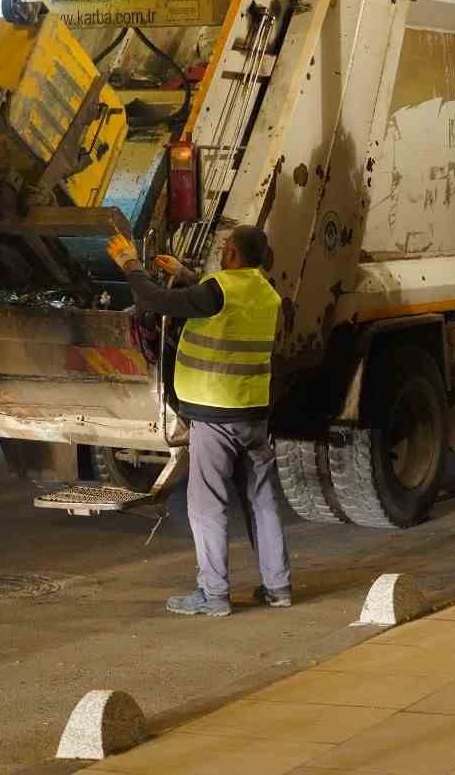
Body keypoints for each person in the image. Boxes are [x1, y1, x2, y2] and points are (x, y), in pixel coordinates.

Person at [106, 225, 291, 617]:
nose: (222, 253)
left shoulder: (217, 290)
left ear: (234, 256)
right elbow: (219, 300)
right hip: (254, 413)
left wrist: (130, 265)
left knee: (206, 505)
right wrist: (186, 274)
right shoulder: (268, 293)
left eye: (225, 248)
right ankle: (278, 587)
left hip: (214, 415)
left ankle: (214, 595)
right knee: (263, 502)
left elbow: (156, 300)